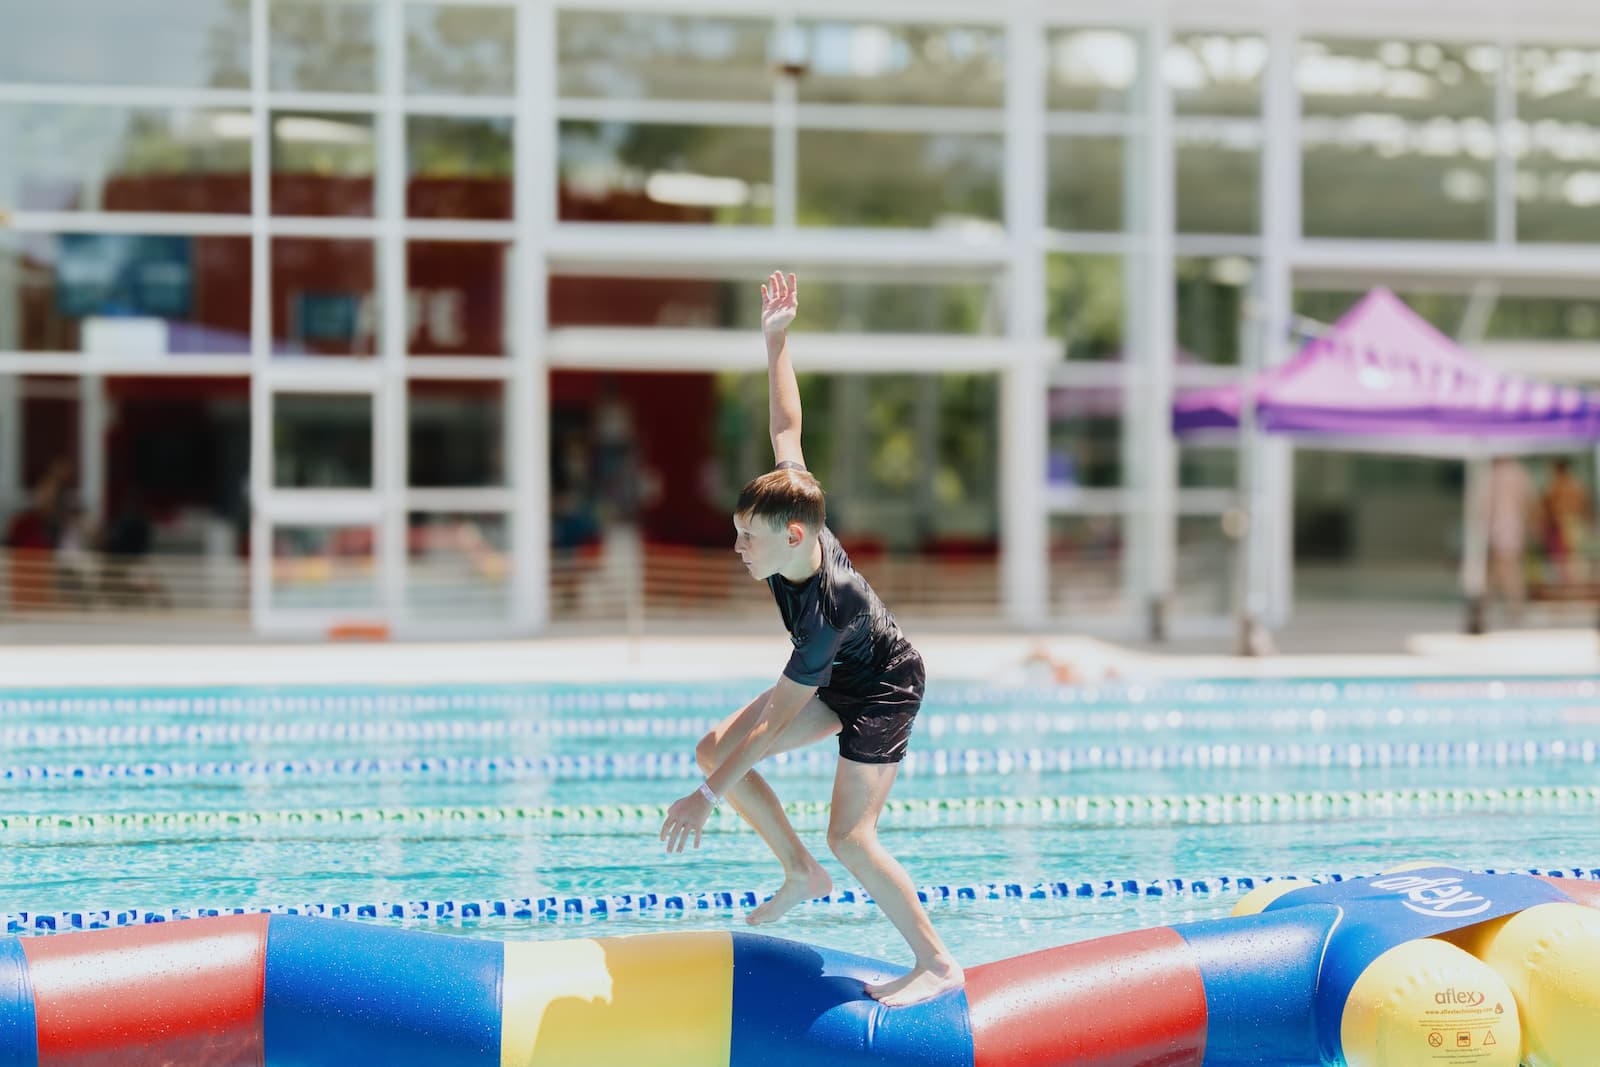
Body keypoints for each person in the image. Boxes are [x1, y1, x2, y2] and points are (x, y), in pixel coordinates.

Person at [659, 271, 963, 1008]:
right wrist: (776, 343)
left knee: (851, 834)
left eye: (747, 539)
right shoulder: (794, 510)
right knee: (713, 744)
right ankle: (800, 872)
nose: (739, 550)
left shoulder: (828, 605)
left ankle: (937, 962)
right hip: (836, 676)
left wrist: (706, 798)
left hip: (883, 683)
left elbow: (769, 725)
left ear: (793, 535)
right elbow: (786, 429)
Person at [1482, 456, 1536, 619]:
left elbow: (1483, 504)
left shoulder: (1494, 474)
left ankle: (1512, 605)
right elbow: (1528, 501)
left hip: (1502, 526)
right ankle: (1508, 604)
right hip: (1511, 525)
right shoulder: (1517, 473)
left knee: (1506, 566)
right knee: (1503, 566)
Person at [1541, 457, 1592, 587]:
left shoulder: (1554, 487)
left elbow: (1547, 508)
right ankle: (1574, 584)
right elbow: (1586, 507)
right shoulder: (1577, 486)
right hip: (1575, 524)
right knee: (1573, 558)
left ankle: (1569, 585)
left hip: (1563, 526)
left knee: (1565, 559)